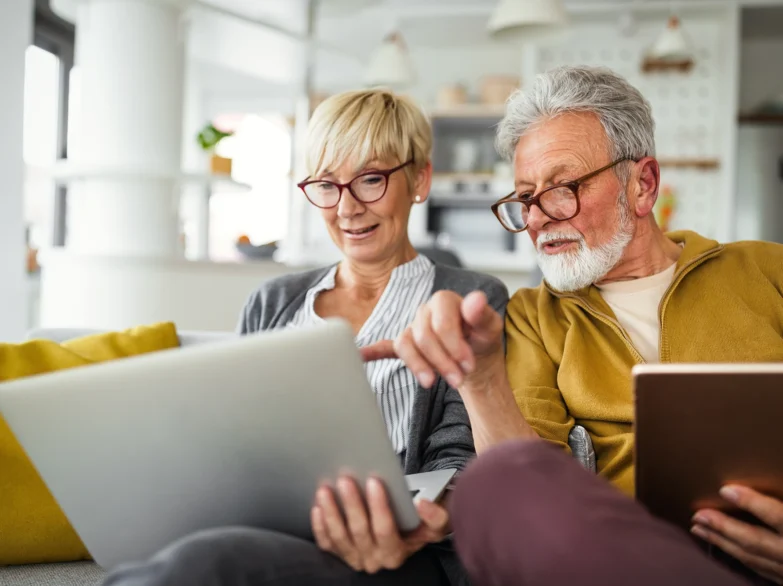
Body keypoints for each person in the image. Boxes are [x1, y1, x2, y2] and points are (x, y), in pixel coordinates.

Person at [362, 66, 783, 584]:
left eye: (562, 188)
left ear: (643, 185)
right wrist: (481, 378)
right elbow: (525, 495)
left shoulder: (767, 270)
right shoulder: (533, 317)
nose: (536, 218)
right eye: (523, 197)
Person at [103, 89, 507, 586]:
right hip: (280, 526)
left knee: (207, 564)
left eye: (371, 180)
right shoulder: (273, 301)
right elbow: (235, 436)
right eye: (326, 185)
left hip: (399, 550)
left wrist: (419, 515)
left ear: (419, 178)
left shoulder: (470, 298)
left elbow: (461, 461)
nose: (347, 208)